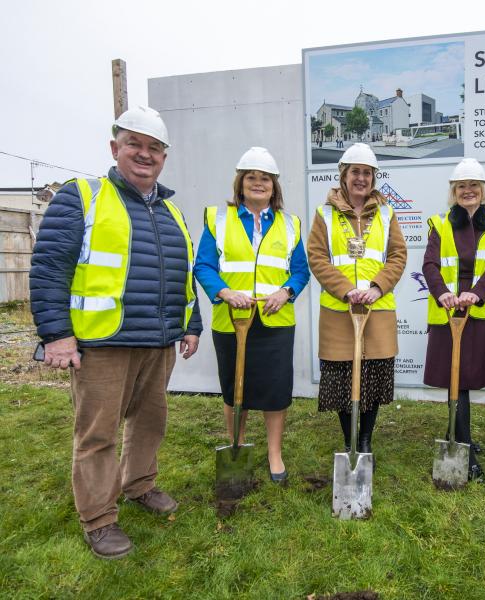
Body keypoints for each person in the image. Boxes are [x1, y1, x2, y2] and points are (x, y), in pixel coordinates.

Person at [29, 106, 202, 559]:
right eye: (134, 145)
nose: (145, 155)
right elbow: (49, 268)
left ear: (164, 156)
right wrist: (56, 335)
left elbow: (183, 277)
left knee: (150, 422)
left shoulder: (171, 212)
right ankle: (99, 519)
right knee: (98, 434)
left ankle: (140, 485)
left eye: (154, 148)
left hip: (158, 340)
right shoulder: (82, 197)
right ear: (115, 148)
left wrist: (191, 325)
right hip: (103, 343)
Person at [194, 147, 309, 483]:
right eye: (251, 178)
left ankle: (275, 453)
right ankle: (238, 444)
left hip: (275, 321)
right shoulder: (218, 218)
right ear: (240, 184)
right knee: (234, 390)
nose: (258, 184)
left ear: (274, 187)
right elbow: (203, 265)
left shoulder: (290, 224)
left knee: (275, 391)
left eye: (265, 179)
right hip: (231, 320)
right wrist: (225, 293)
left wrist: (284, 293)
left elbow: (300, 271)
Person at [307, 143, 407, 467]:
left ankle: (365, 439)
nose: (361, 178)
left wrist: (377, 288)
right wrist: (346, 290)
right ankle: (348, 437)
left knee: (373, 378)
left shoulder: (387, 213)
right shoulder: (325, 214)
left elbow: (397, 256)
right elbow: (318, 257)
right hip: (339, 311)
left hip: (377, 310)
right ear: (344, 175)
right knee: (340, 379)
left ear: (374, 177)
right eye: (355, 172)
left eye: (367, 173)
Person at [422, 158, 485, 482]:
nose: (468, 191)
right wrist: (442, 292)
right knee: (456, 380)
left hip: (477, 311)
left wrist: (476, 293)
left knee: (467, 378)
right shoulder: (440, 224)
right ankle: (464, 446)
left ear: (482, 191)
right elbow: (430, 264)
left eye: (473, 186)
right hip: (448, 312)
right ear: (453, 192)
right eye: (462, 186)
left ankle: (459, 432)